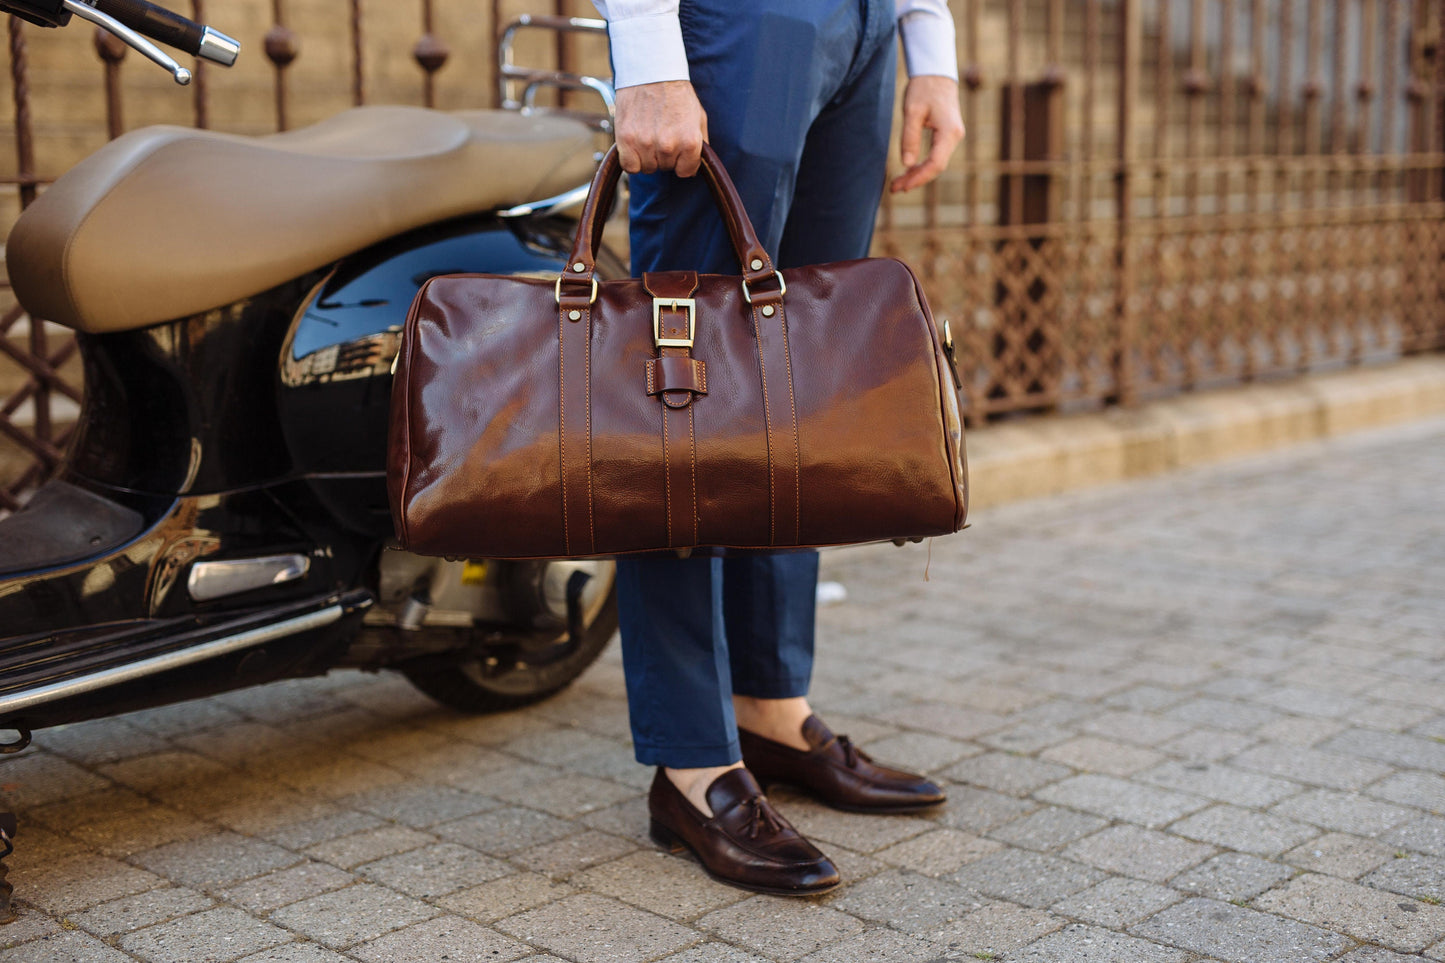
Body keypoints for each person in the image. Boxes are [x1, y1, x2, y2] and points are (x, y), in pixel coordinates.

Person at [589, 0, 965, 895]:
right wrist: (646, 53)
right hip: (738, 23)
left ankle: (768, 706)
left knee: (801, 381)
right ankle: (689, 764)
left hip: (861, 33)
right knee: (682, 392)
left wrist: (925, 38)